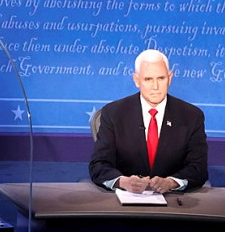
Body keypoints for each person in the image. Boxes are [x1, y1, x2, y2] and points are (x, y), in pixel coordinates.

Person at [89, 48, 209, 193]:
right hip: (124, 202)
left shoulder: (191, 116)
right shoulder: (114, 113)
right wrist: (123, 182)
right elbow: (99, 165)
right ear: (136, 80)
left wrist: (171, 182)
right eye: (148, 79)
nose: (155, 87)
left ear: (170, 78)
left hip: (173, 202)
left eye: (161, 78)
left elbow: (198, 168)